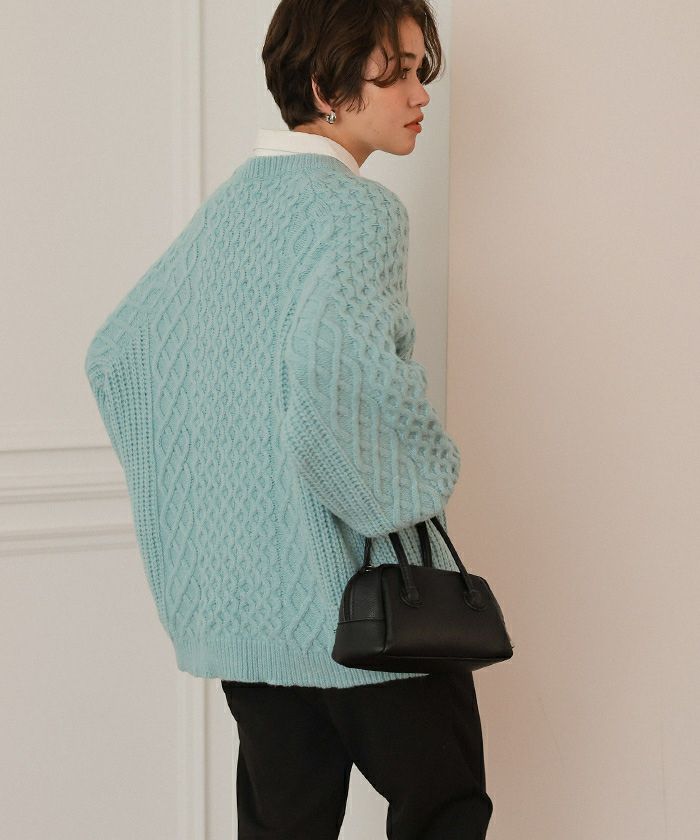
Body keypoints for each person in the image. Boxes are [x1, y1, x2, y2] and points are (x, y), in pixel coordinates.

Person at [84, 0, 494, 836]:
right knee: (445, 811)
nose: (421, 93)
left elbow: (118, 357)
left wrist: (211, 504)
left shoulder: (230, 210)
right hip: (367, 608)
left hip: (251, 614)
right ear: (325, 87)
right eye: (397, 72)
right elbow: (335, 384)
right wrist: (426, 475)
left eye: (422, 70)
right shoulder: (360, 212)